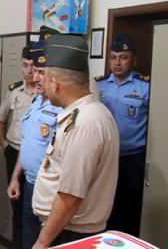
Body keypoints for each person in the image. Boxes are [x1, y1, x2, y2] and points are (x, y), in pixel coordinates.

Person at [32, 35, 119, 249]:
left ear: (56, 84)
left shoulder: (82, 124)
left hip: (69, 232)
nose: (39, 81)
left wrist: (42, 242)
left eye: (44, 77)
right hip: (64, 229)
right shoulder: (90, 113)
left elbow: (70, 196)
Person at [7, 31, 62, 249]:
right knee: (29, 235)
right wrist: (15, 178)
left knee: (47, 239)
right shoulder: (37, 100)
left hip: (50, 187)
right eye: (34, 70)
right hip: (30, 182)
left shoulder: (62, 106)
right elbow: (27, 143)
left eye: (40, 72)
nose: (34, 76)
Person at [97, 33, 150, 236]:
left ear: (134, 60)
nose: (117, 62)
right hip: (104, 158)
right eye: (113, 57)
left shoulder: (145, 87)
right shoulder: (98, 85)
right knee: (104, 208)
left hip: (131, 160)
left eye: (123, 57)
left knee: (129, 211)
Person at [0, 43, 37, 248]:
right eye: (25, 65)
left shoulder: (45, 92)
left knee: (34, 209)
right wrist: (4, 144)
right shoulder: (15, 91)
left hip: (36, 158)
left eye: (33, 66)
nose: (29, 71)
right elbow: (0, 118)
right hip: (15, 152)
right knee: (17, 207)